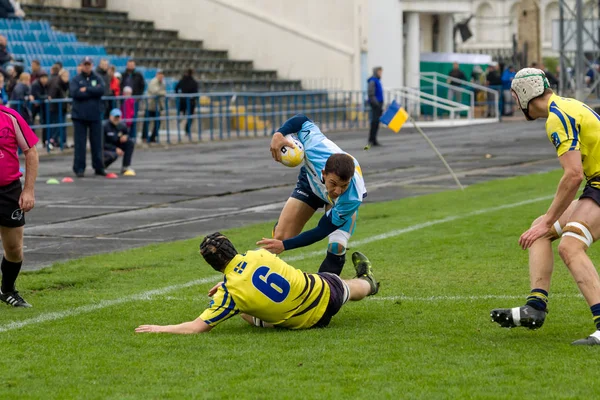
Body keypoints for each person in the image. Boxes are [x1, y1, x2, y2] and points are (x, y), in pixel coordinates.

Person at [490, 68, 600, 345]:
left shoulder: (557, 118)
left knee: (569, 245)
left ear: (525, 94)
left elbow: (573, 174)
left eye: (515, 95)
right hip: (596, 183)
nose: (515, 103)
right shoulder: (567, 106)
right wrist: (547, 221)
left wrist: (550, 219)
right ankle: (535, 308)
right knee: (540, 228)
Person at [135, 232, 379, 334]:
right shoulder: (257, 254)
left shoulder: (230, 295)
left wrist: (160, 328)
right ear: (232, 246)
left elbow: (196, 327)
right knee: (346, 285)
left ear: (212, 265)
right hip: (323, 292)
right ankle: (369, 282)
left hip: (303, 324)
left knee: (243, 312)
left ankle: (365, 282)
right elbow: (254, 274)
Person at [257, 114, 367, 277]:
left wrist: (285, 246)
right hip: (311, 183)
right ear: (323, 172)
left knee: (337, 246)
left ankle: (327, 294)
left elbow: (321, 230)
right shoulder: (314, 146)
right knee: (281, 236)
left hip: (339, 204)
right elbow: (302, 120)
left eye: (344, 185)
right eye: (334, 184)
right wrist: (278, 135)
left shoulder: (350, 197)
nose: (337, 190)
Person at [0, 104, 39, 307]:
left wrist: (28, 190)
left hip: (8, 191)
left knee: (14, 248)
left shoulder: (10, 117)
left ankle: (7, 290)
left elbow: (31, 151)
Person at [70, 57, 106, 178]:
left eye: (89, 64)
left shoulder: (97, 77)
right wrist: (92, 92)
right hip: (79, 116)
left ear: (92, 65)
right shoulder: (76, 79)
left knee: (97, 143)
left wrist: (87, 89)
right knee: (80, 145)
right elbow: (75, 93)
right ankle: (79, 168)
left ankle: (99, 167)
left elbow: (101, 89)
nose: (87, 66)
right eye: (85, 64)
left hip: (95, 115)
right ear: (82, 65)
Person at [103, 108, 135, 176]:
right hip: (106, 148)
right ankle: (102, 166)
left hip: (116, 145)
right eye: (115, 117)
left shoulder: (122, 126)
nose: (116, 119)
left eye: (118, 117)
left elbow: (127, 135)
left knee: (130, 142)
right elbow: (101, 143)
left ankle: (125, 166)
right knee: (112, 155)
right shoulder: (104, 126)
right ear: (110, 117)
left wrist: (126, 137)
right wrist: (115, 149)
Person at [47, 68, 69, 148]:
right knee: (57, 125)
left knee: (61, 125)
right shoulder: (57, 83)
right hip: (56, 108)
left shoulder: (65, 83)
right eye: (65, 76)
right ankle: (55, 141)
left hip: (62, 108)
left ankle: (61, 141)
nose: (67, 77)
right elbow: (52, 95)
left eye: (67, 76)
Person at [142, 69, 166, 143]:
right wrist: (163, 92)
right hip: (150, 105)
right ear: (157, 75)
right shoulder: (153, 82)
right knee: (146, 122)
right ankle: (144, 137)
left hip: (157, 107)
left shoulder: (163, 83)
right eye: (159, 74)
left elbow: (161, 93)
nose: (161, 76)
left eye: (162, 74)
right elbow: (155, 92)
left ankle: (153, 137)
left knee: (157, 122)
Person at [175, 68, 198, 138]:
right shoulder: (194, 82)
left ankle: (181, 114)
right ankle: (187, 130)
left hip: (182, 100)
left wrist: (178, 95)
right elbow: (196, 92)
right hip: (191, 101)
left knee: (183, 112)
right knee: (190, 116)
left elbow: (176, 88)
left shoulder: (182, 80)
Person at [366, 66, 383, 148]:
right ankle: (371, 140)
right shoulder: (373, 81)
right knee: (374, 122)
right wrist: (376, 104)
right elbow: (371, 94)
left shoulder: (377, 81)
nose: (381, 74)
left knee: (376, 123)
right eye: (379, 72)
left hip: (378, 104)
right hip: (376, 105)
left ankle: (374, 139)